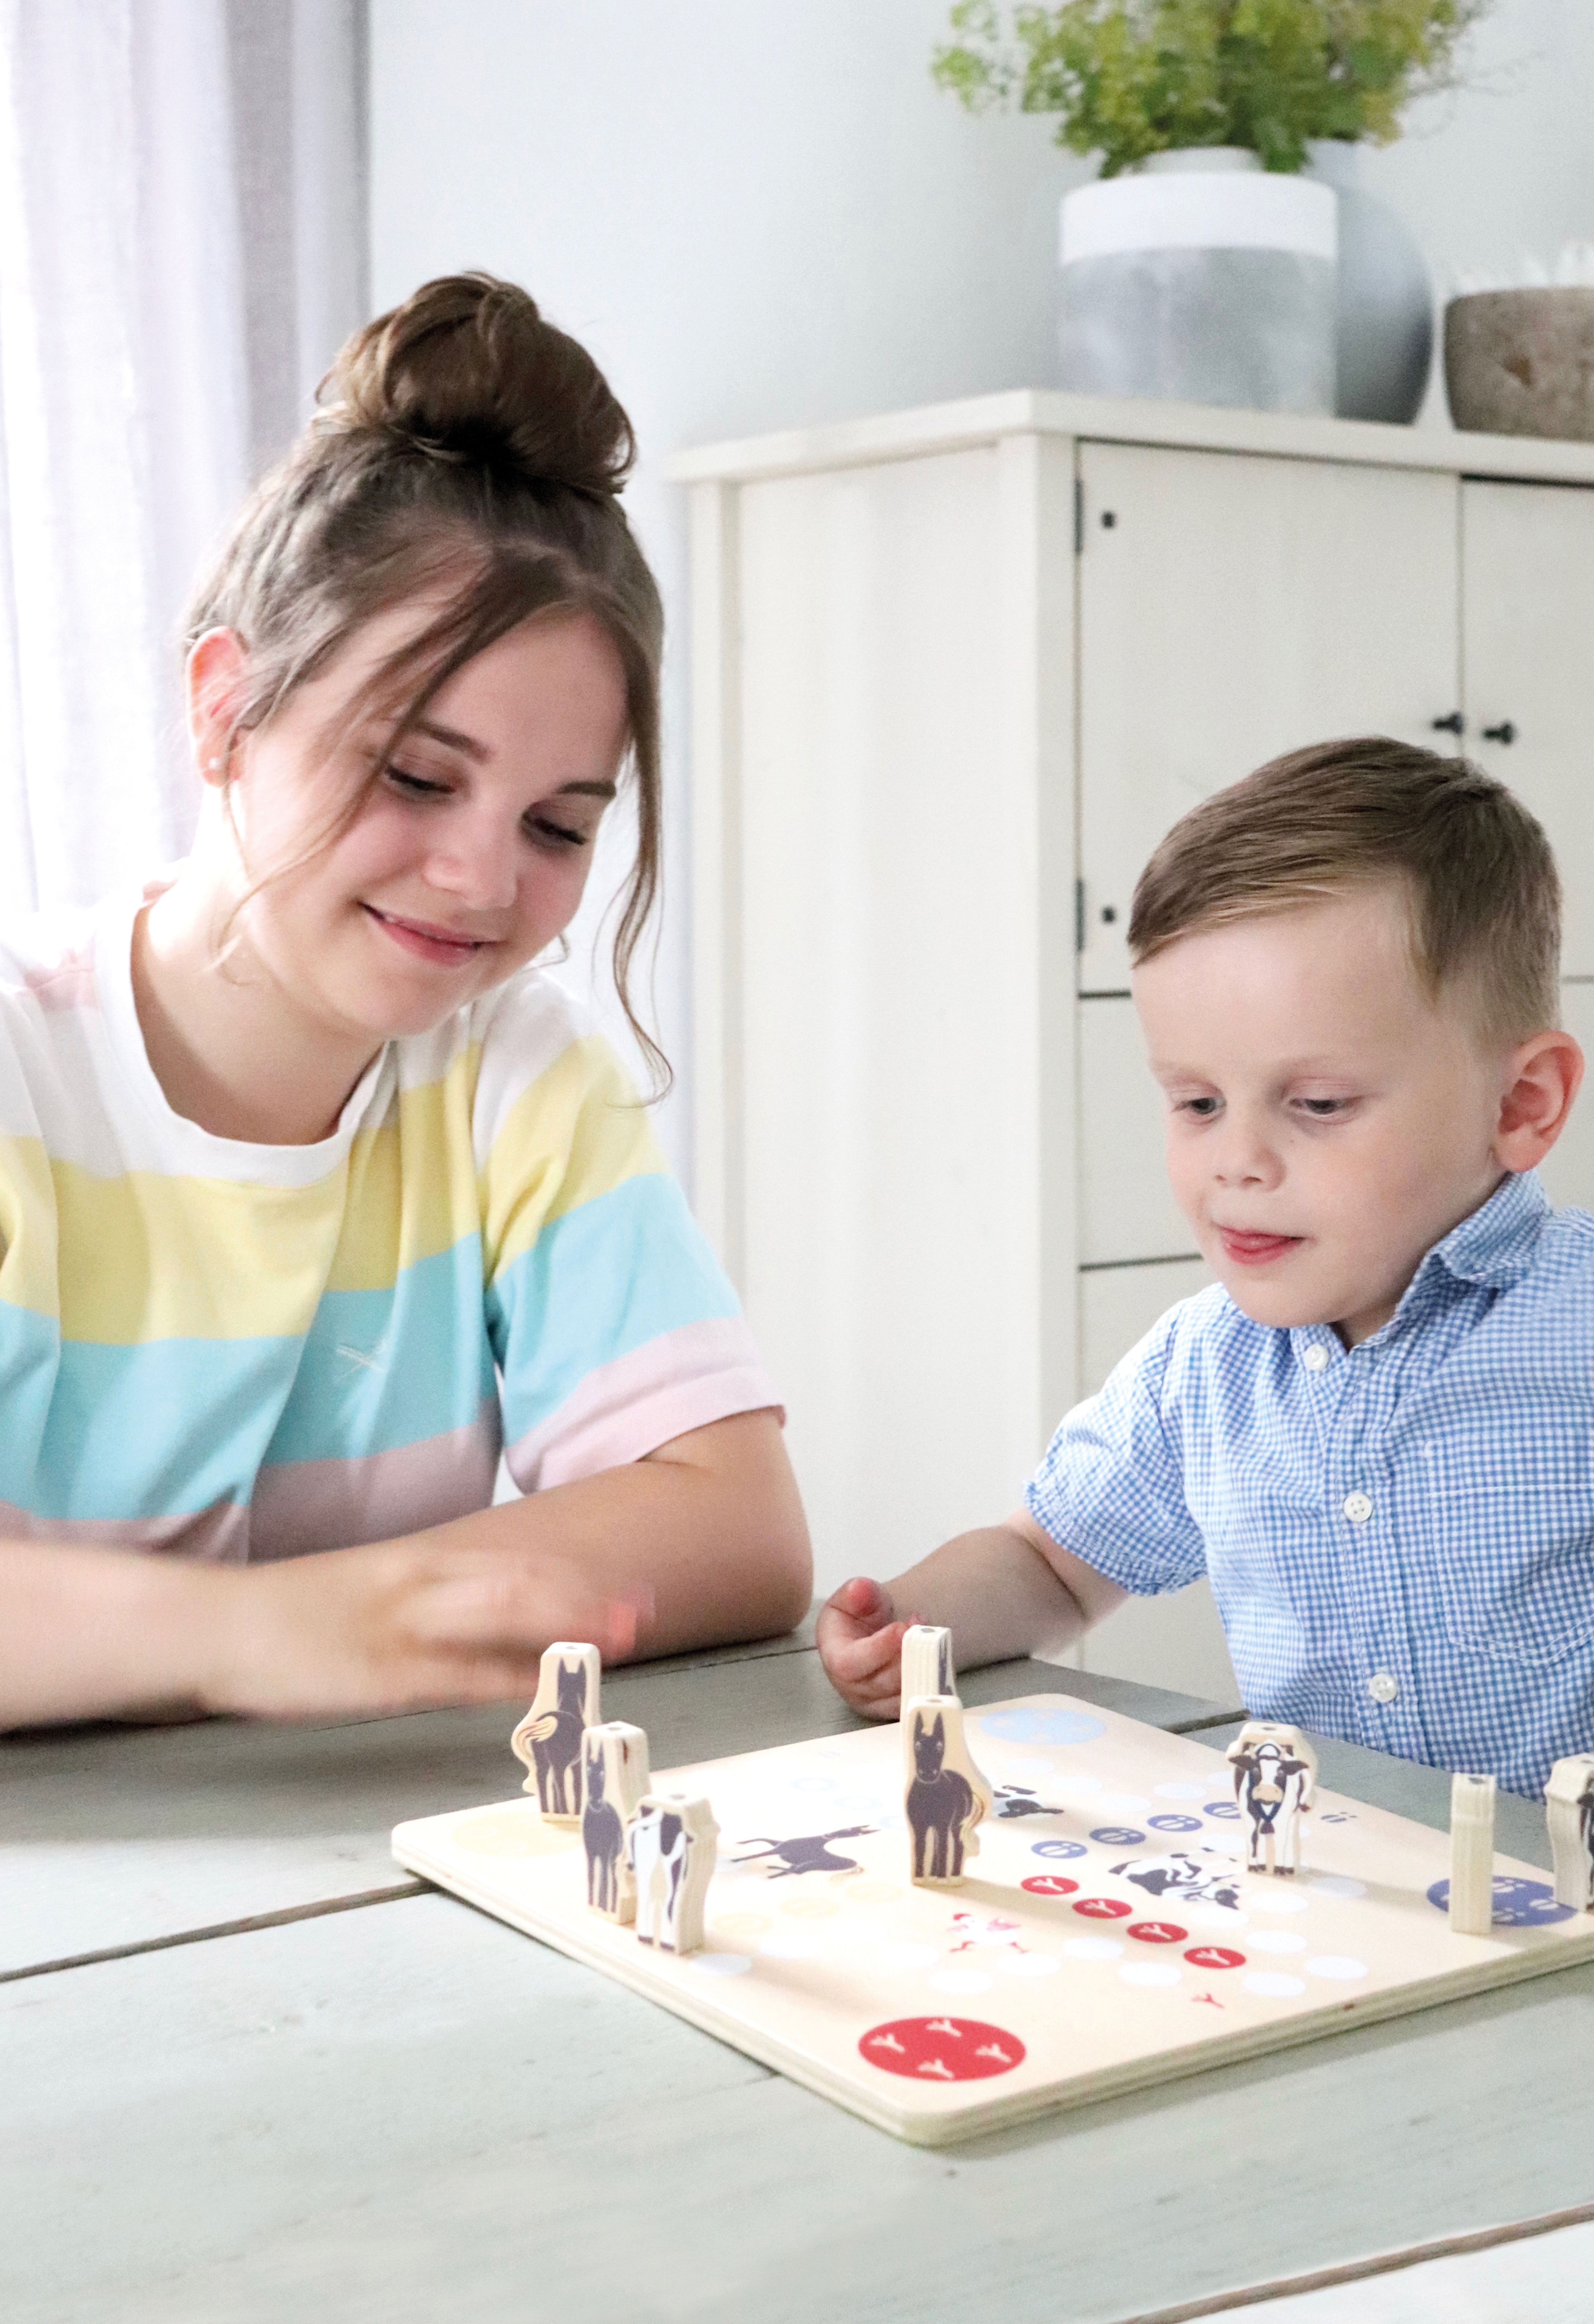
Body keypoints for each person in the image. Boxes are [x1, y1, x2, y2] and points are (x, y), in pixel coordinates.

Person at [0, 273, 810, 1730]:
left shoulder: (517, 1074)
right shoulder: (19, 1071)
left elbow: (738, 1524)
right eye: (419, 777)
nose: (479, 880)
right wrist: (249, 1635)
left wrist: (332, 1622)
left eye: (559, 825)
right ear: (224, 709)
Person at [819, 738, 1592, 1798]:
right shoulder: (1205, 1367)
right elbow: (1048, 1561)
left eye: (1315, 1104)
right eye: (1195, 1102)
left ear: (1521, 1105)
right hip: (1337, 1913)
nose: (1237, 1160)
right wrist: (914, 1625)